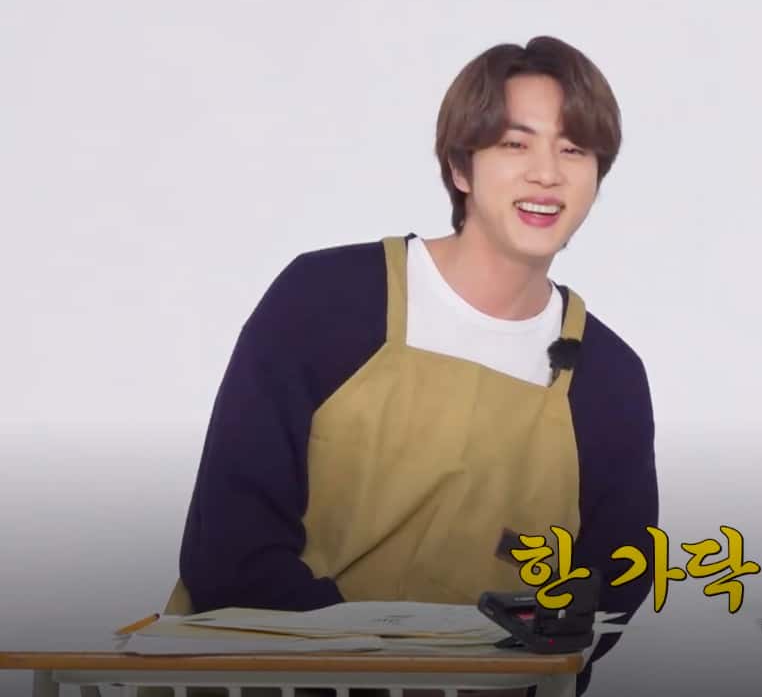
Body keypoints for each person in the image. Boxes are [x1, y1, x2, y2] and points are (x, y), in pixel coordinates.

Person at [166, 35, 656, 692]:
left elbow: (609, 588)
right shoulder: (326, 300)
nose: (547, 173)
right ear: (460, 167)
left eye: (574, 150)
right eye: (515, 144)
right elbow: (228, 547)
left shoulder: (609, 379)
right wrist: (374, 669)